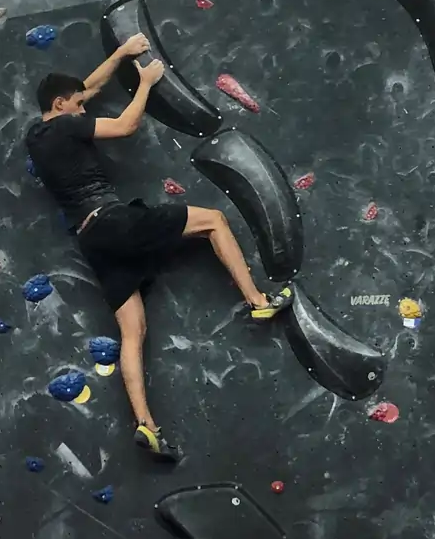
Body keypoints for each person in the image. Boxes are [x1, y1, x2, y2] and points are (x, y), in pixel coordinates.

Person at [24, 33, 290, 463]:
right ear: (60, 106)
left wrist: (121, 54)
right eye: (77, 105)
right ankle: (258, 300)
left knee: (132, 331)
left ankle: (145, 424)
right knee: (214, 221)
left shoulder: (37, 136)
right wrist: (145, 80)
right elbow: (125, 126)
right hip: (114, 220)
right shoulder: (67, 123)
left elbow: (86, 88)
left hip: (91, 241)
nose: (84, 108)